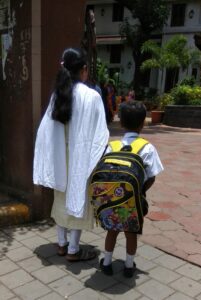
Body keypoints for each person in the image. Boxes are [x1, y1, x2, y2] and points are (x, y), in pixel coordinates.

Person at [33, 48, 109, 262]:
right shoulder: (92, 96)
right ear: (83, 70)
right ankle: (74, 250)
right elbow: (100, 133)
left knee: (61, 199)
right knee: (79, 200)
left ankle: (61, 244)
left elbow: (45, 130)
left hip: (60, 158)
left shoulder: (58, 95)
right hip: (81, 159)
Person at [100, 100, 163, 277]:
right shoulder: (147, 148)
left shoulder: (112, 146)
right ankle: (128, 266)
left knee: (112, 231)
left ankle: (106, 263)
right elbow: (152, 176)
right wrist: (140, 191)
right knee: (131, 234)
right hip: (132, 202)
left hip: (110, 200)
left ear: (121, 122)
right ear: (143, 123)